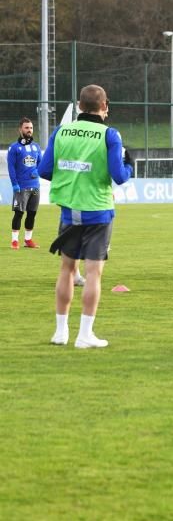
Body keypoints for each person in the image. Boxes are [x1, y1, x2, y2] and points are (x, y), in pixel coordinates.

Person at [37, 85, 133, 348]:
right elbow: (119, 176)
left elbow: (44, 171)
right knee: (93, 273)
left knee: (67, 269)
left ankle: (60, 332)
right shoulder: (110, 135)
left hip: (69, 210)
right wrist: (130, 164)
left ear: (79, 106)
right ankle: (84, 334)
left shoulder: (61, 132)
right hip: (98, 211)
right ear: (105, 106)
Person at [8, 117, 42, 249]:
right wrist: (14, 184)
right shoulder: (14, 148)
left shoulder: (36, 146)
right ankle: (15, 241)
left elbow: (41, 164)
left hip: (35, 186)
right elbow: (11, 167)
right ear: (20, 129)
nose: (29, 130)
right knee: (19, 213)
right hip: (21, 187)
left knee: (32, 213)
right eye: (27, 128)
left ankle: (28, 240)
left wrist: (37, 172)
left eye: (31, 128)